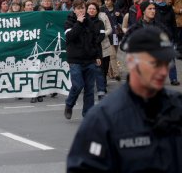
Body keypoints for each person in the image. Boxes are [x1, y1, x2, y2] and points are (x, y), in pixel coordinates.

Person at [67, 26, 182, 173]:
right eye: (155, 64)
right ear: (132, 62)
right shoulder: (103, 118)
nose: (163, 71)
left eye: (166, 63)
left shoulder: (177, 107)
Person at [64, 0, 103, 119]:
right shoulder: (69, 22)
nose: (81, 10)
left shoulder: (90, 23)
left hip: (89, 58)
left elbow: (95, 41)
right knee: (78, 85)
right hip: (75, 60)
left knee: (89, 89)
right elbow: (70, 37)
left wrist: (97, 55)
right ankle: (69, 104)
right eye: (78, 8)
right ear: (74, 10)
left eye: (83, 8)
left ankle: (88, 114)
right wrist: (79, 23)